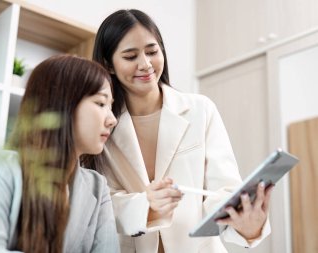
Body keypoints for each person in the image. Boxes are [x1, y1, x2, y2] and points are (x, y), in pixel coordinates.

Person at [91, 9, 273, 253]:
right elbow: (103, 203)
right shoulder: (103, 124)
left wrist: (247, 226)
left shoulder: (201, 110)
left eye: (152, 52)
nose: (145, 64)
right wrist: (147, 205)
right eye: (131, 56)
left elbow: (223, 191)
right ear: (108, 65)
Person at [0, 55, 120, 253]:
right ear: (62, 104)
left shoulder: (98, 187)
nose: (112, 119)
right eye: (101, 104)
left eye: (111, 106)